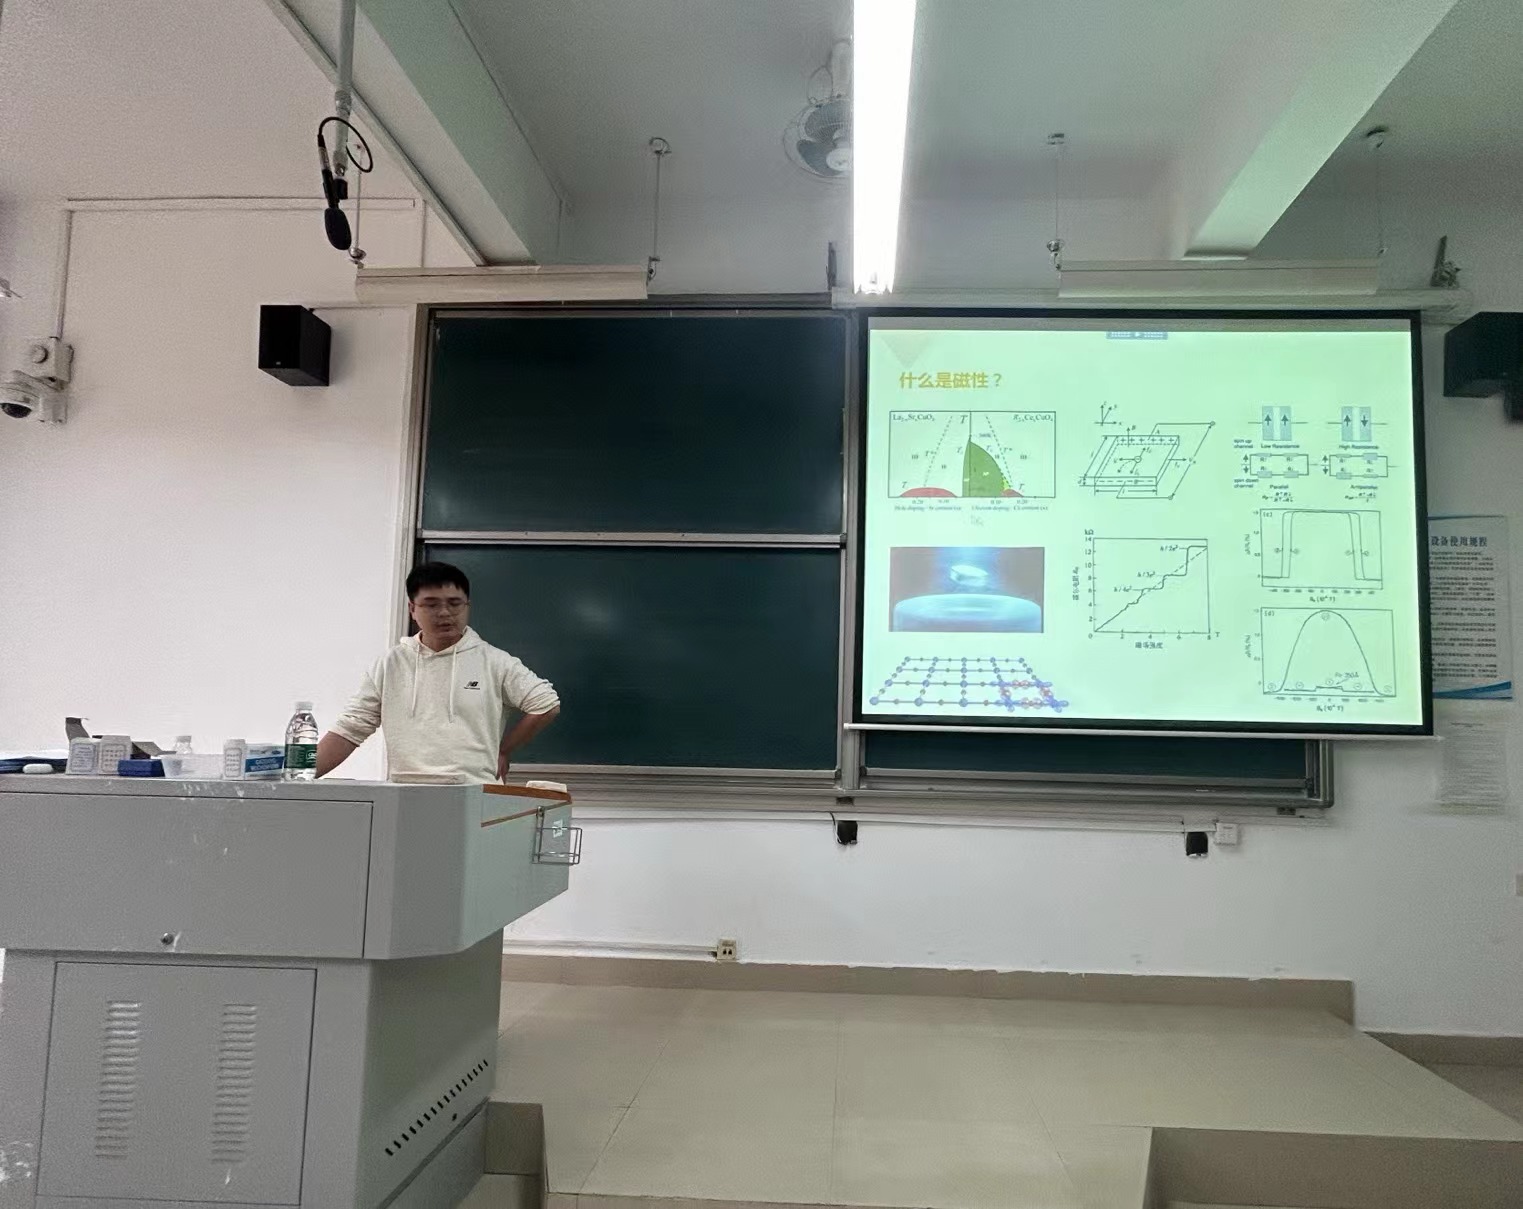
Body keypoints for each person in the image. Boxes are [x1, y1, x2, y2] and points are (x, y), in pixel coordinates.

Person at [317, 562, 560, 782]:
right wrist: (299, 776)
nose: (444, 613)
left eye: (454, 604)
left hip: (474, 792)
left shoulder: (494, 661)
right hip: (405, 793)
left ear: (467, 606)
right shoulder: (390, 664)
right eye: (431, 604)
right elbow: (350, 728)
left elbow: (546, 703)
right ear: (412, 609)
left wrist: (503, 750)